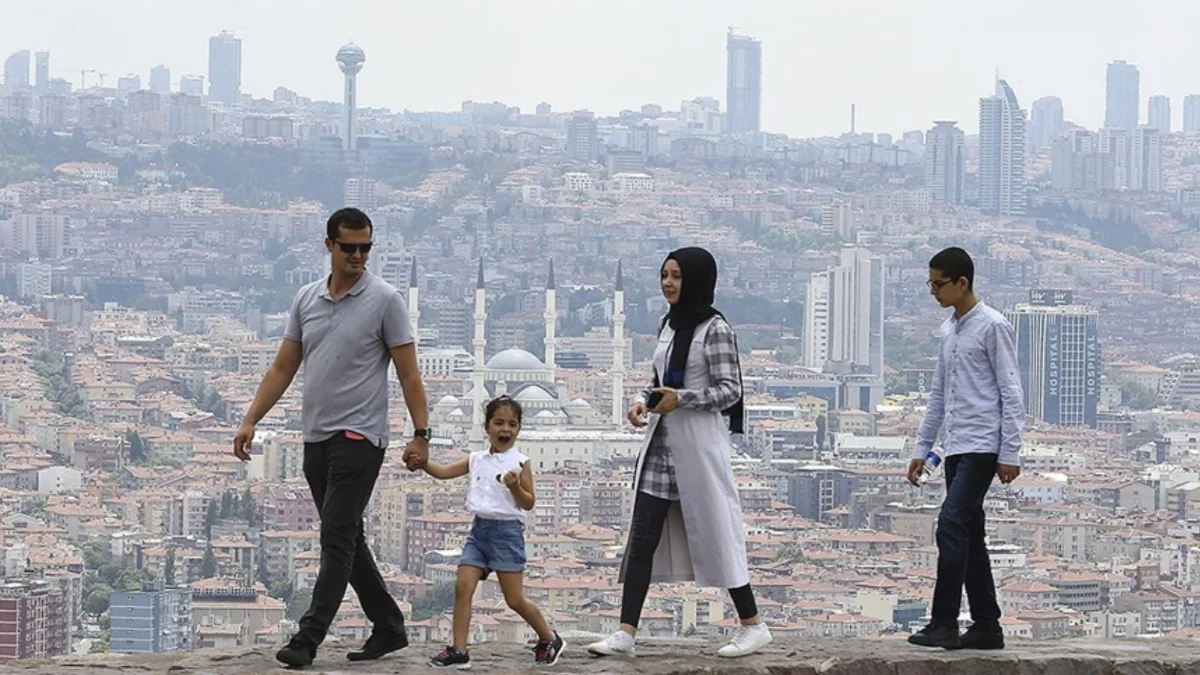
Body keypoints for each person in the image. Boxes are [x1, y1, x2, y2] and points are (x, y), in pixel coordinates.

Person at [232, 207, 433, 668]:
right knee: (348, 538)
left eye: (366, 247)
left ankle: (307, 638)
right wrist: (251, 419)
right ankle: (389, 626)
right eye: (350, 247)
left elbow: (409, 374)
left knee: (335, 538)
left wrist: (420, 434)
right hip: (316, 438)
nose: (359, 255)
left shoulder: (385, 301)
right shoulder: (307, 299)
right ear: (329, 246)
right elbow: (284, 366)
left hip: (361, 439)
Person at [587, 247, 772, 660]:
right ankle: (625, 632)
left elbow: (731, 391)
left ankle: (753, 625)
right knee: (642, 540)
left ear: (696, 280)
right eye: (664, 275)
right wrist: (642, 400)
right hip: (662, 445)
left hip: (698, 447)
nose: (668, 283)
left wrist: (681, 399)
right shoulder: (668, 324)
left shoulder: (716, 329)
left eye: (676, 276)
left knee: (717, 532)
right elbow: (656, 380)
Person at [906, 246, 1024, 651]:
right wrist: (923, 447)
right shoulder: (949, 330)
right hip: (956, 444)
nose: (933, 292)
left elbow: (1011, 390)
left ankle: (944, 622)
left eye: (938, 284)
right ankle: (987, 626)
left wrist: (1010, 452)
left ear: (962, 283)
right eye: (930, 284)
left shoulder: (993, 326)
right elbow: (939, 393)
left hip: (983, 444)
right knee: (970, 533)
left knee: (951, 524)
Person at [418, 396, 565, 669]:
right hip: (479, 531)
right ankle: (459, 650)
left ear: (519, 429)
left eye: (512, 424)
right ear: (487, 427)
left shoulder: (521, 462)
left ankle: (549, 637)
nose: (505, 430)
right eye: (498, 423)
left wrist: (513, 487)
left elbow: (529, 502)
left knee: (514, 599)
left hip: (507, 533)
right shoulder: (476, 459)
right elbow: (444, 471)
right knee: (463, 587)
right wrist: (422, 463)